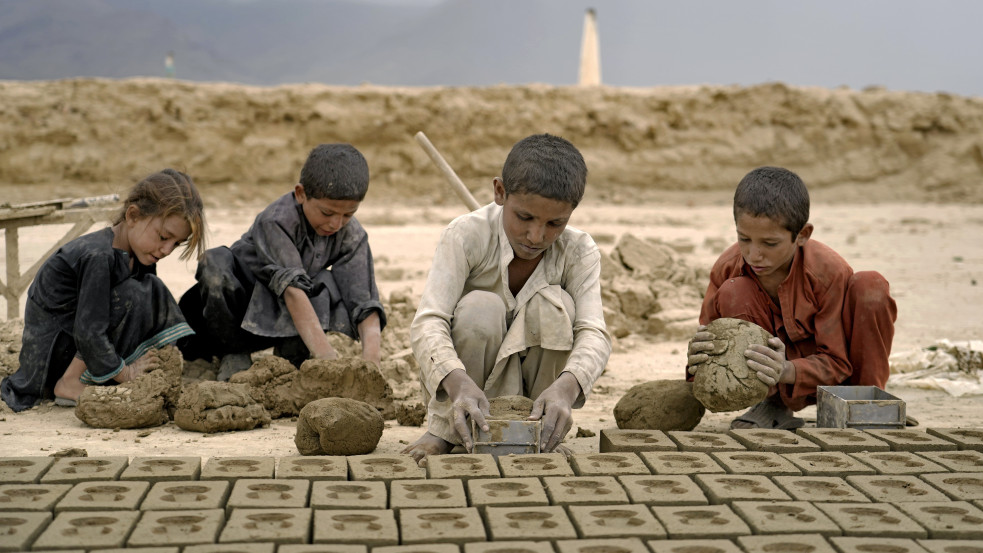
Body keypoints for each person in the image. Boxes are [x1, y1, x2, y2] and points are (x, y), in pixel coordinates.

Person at [403, 133, 611, 465]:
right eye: (524, 217)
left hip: (535, 402)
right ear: (500, 192)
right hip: (464, 390)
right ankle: (446, 431)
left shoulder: (578, 250)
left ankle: (539, 431)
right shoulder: (464, 235)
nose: (536, 236)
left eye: (555, 223)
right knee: (480, 308)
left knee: (556, 307)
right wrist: (457, 385)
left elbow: (594, 333)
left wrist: (566, 389)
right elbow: (429, 322)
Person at [686, 166, 897, 429]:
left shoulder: (828, 272)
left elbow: (838, 363)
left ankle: (865, 405)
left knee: (871, 286)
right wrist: (697, 359)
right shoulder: (727, 268)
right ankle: (772, 404)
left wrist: (787, 370)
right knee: (733, 290)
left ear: (802, 235)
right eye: (744, 239)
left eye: (770, 244)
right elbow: (710, 343)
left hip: (836, 376)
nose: (754, 254)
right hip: (771, 380)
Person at [1, 169, 207, 412]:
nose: (166, 250)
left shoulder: (140, 255)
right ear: (132, 216)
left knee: (153, 289)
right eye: (163, 237)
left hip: (84, 347)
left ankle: (111, 371)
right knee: (129, 293)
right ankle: (71, 383)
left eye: (176, 244)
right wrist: (127, 374)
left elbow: (147, 307)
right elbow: (89, 330)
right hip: (50, 358)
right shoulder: (98, 256)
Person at [178, 143, 385, 379]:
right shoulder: (276, 220)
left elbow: (363, 299)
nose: (335, 224)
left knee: (325, 281)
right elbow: (292, 289)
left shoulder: (352, 235)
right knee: (215, 262)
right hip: (235, 315)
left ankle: (293, 356)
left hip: (287, 321)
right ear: (301, 194)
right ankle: (233, 353)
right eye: (327, 213)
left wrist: (372, 364)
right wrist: (327, 358)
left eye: (348, 214)